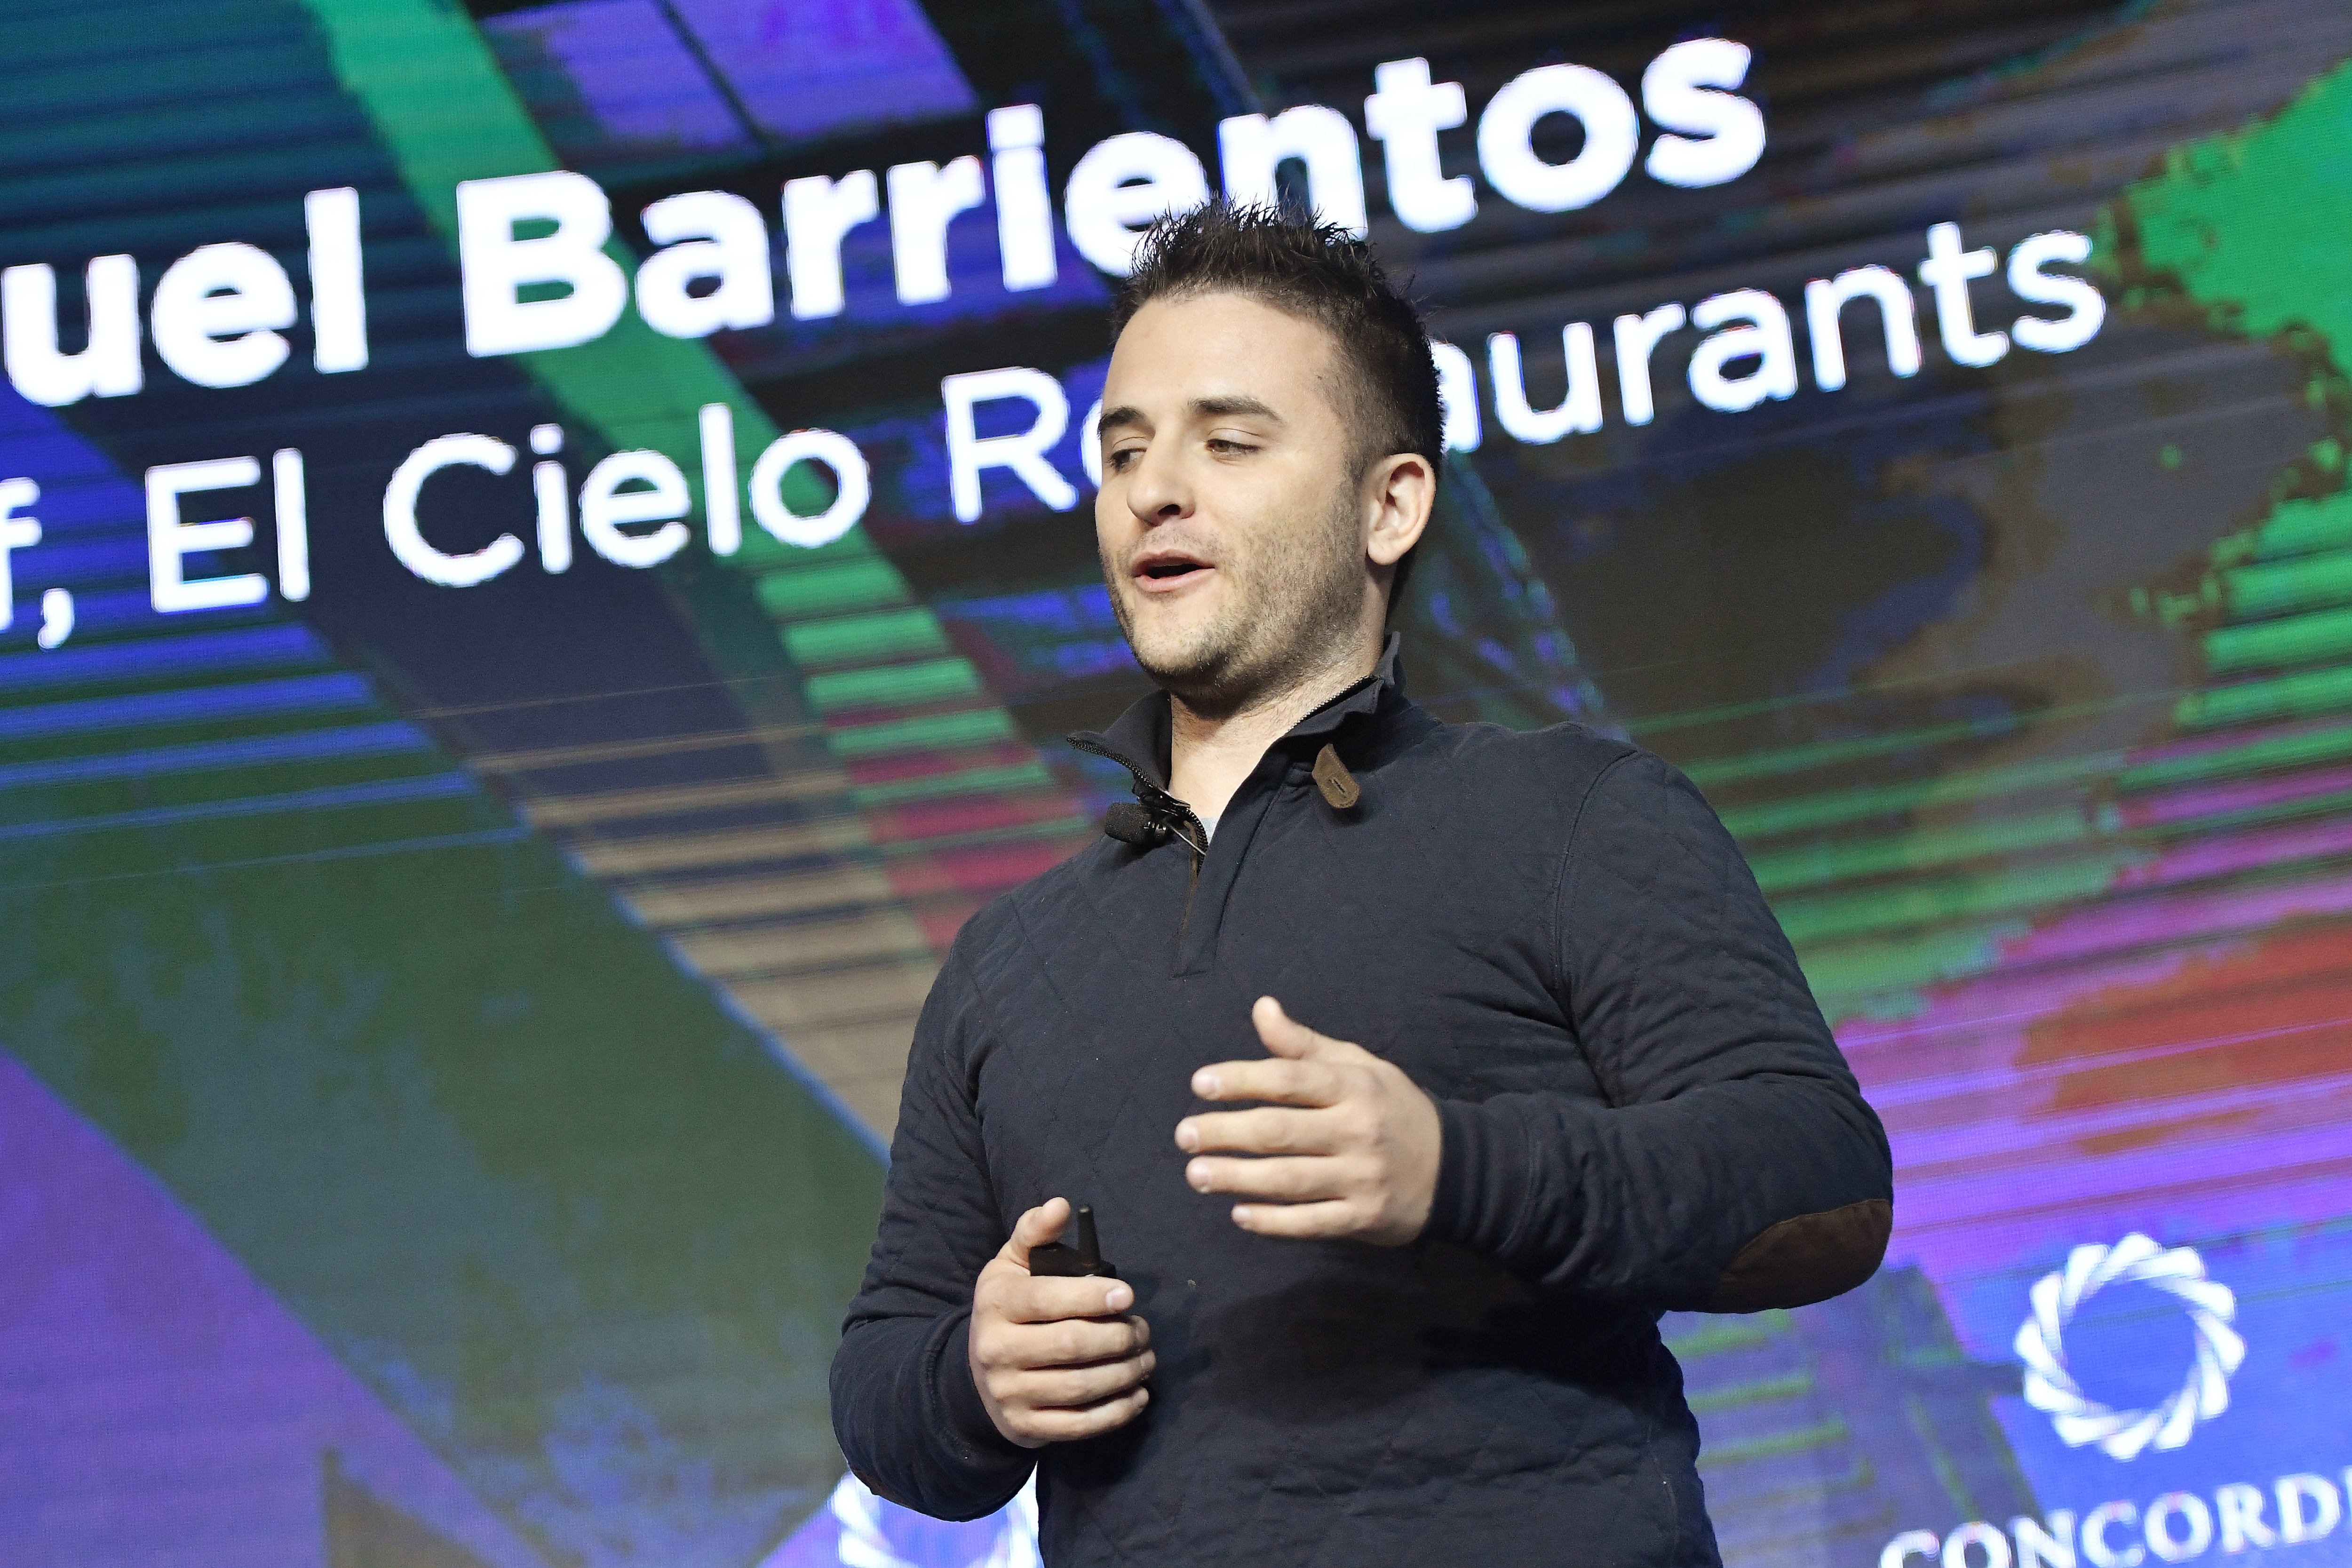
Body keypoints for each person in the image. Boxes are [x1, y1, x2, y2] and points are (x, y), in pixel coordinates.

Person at [829, 200, 1893, 1566]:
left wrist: (1459, 1167)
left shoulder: (1567, 817)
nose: (1156, 488)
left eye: (1229, 441)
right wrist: (975, 1380)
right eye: (1123, 449)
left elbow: (1821, 1187)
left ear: (1389, 505)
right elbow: (881, 1386)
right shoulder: (1007, 962)